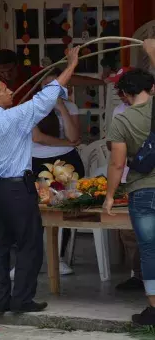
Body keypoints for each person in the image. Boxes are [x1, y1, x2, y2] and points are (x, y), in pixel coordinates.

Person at [0, 46, 80, 315]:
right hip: (16, 189)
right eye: (5, 90)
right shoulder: (15, 117)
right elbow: (48, 94)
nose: (11, 92)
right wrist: (71, 64)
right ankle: (22, 300)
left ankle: (0, 301)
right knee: (29, 244)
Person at [103, 40, 155, 326]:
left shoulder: (121, 121)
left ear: (124, 93)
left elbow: (117, 163)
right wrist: (151, 52)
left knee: (149, 249)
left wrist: (110, 196)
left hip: (142, 191)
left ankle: (154, 308)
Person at [31, 68, 83, 276]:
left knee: (65, 208)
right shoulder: (33, 108)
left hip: (67, 162)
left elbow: (75, 135)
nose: (53, 90)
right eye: (48, 86)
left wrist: (61, 108)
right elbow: (38, 137)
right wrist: (65, 142)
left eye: (57, 86)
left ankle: (59, 257)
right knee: (38, 210)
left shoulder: (70, 106)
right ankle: (33, 259)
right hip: (39, 162)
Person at [0, 49, 104, 115]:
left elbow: (64, 79)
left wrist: (103, 82)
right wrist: (1, 109)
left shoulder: (30, 72)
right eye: (1, 72)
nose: (6, 75)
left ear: (18, 65)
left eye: (10, 70)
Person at [104, 67, 143, 291]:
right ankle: (137, 275)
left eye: (121, 87)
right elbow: (112, 145)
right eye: (117, 87)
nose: (119, 92)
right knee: (128, 231)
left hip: (146, 178)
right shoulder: (119, 110)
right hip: (128, 177)